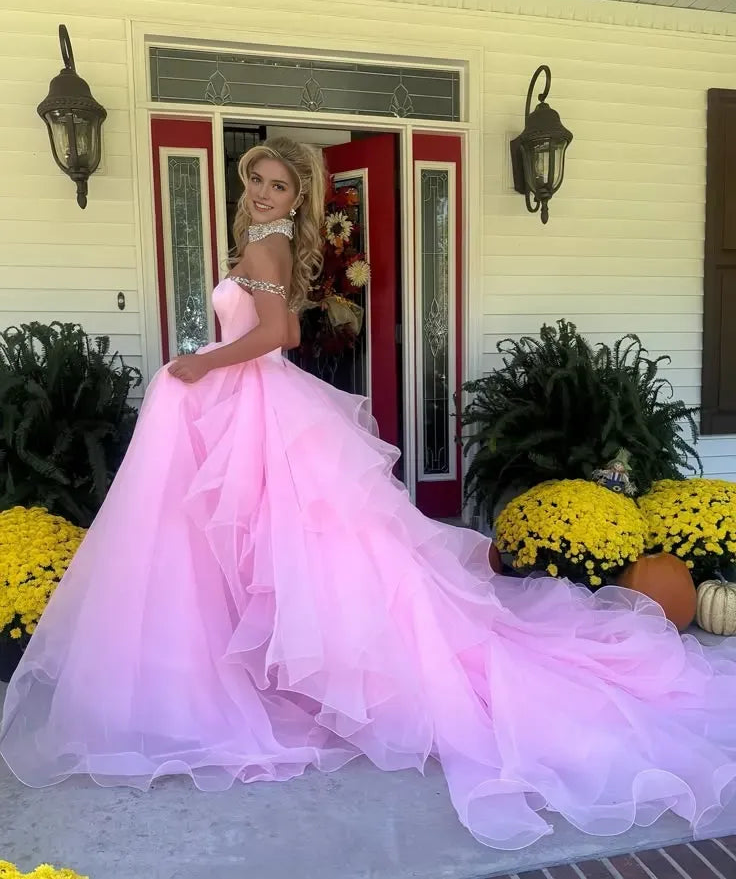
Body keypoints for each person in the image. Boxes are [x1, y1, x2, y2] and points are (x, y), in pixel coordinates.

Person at [3, 136, 736, 851]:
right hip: (249, 404)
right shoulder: (259, 240)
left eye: (279, 186)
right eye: (256, 180)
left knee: (288, 542)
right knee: (263, 546)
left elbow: (280, 333)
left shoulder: (268, 245)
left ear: (298, 199)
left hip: (256, 404)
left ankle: (312, 675)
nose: (263, 193)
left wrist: (202, 364)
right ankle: (272, 669)